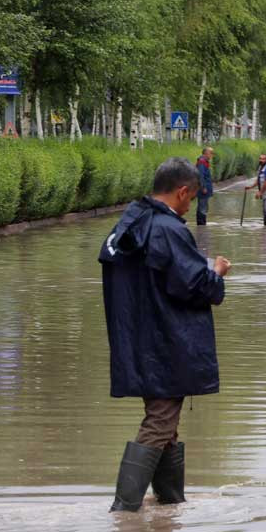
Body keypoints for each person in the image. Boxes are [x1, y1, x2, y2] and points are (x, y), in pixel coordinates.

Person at [99, 158, 231, 512]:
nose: (191, 206)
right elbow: (196, 285)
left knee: (167, 423)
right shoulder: (167, 230)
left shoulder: (129, 225)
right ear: (182, 191)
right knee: (160, 422)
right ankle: (124, 512)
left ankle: (170, 507)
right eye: (193, 198)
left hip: (138, 340)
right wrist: (216, 272)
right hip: (167, 343)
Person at [247, 154, 266, 226]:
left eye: (263, 159)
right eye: (260, 159)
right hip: (265, 195)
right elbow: (259, 180)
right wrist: (251, 187)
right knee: (265, 212)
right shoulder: (261, 168)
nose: (261, 160)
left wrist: (260, 192)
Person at [194, 147, 214, 226]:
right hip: (203, 189)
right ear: (206, 153)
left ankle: (202, 223)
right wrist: (203, 187)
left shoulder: (204, 162)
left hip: (205, 189)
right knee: (202, 207)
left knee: (204, 206)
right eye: (211, 153)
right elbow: (200, 176)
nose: (212, 155)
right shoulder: (202, 163)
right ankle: (201, 224)